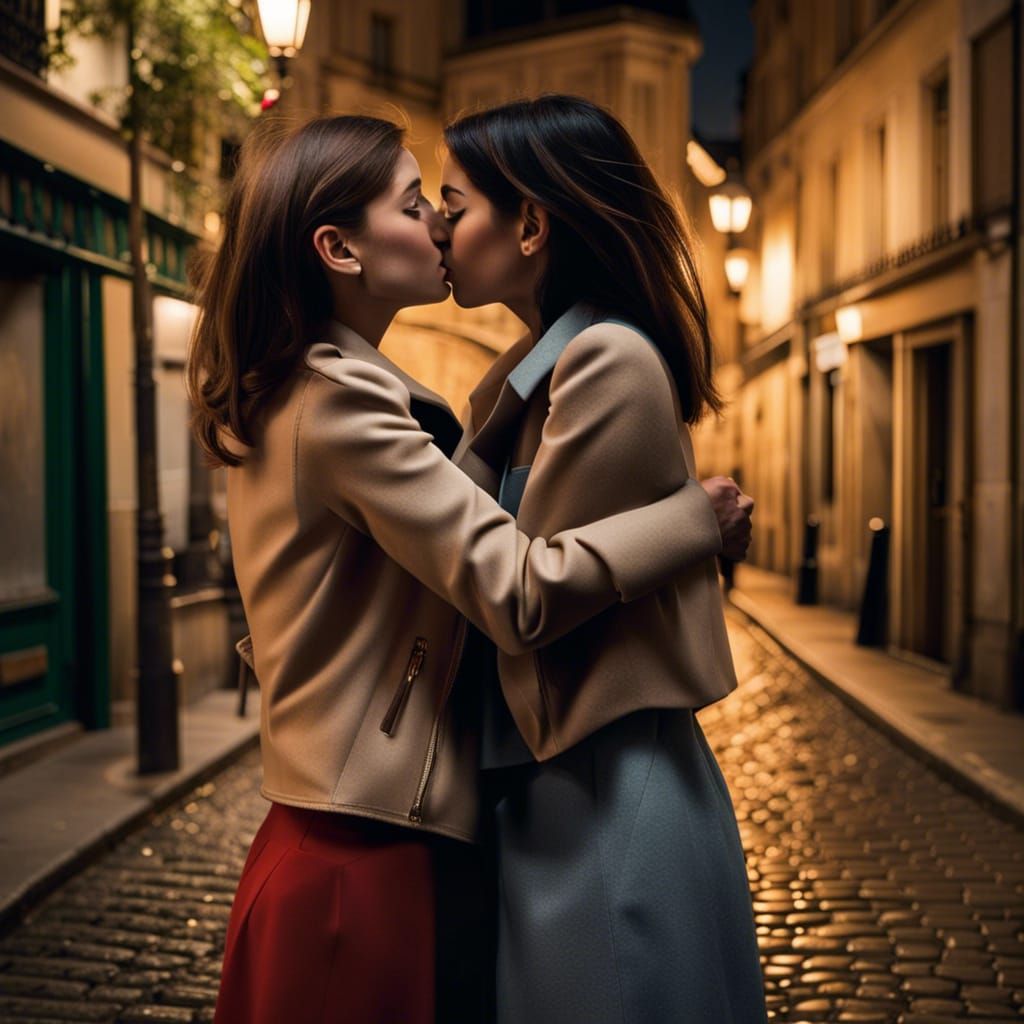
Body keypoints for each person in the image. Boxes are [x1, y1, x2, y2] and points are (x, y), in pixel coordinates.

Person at [186, 114, 751, 1024]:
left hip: (353, 837)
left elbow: (457, 525)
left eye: (444, 203)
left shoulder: (335, 386)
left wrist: (515, 385)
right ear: (339, 249)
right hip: (356, 853)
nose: (440, 227)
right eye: (418, 206)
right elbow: (516, 591)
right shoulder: (342, 404)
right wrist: (696, 518)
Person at [440, 94, 767, 1023]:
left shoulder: (605, 360)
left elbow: (523, 596)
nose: (437, 228)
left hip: (606, 794)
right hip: (555, 790)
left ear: (532, 224)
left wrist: (692, 524)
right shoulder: (529, 375)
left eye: (454, 206)